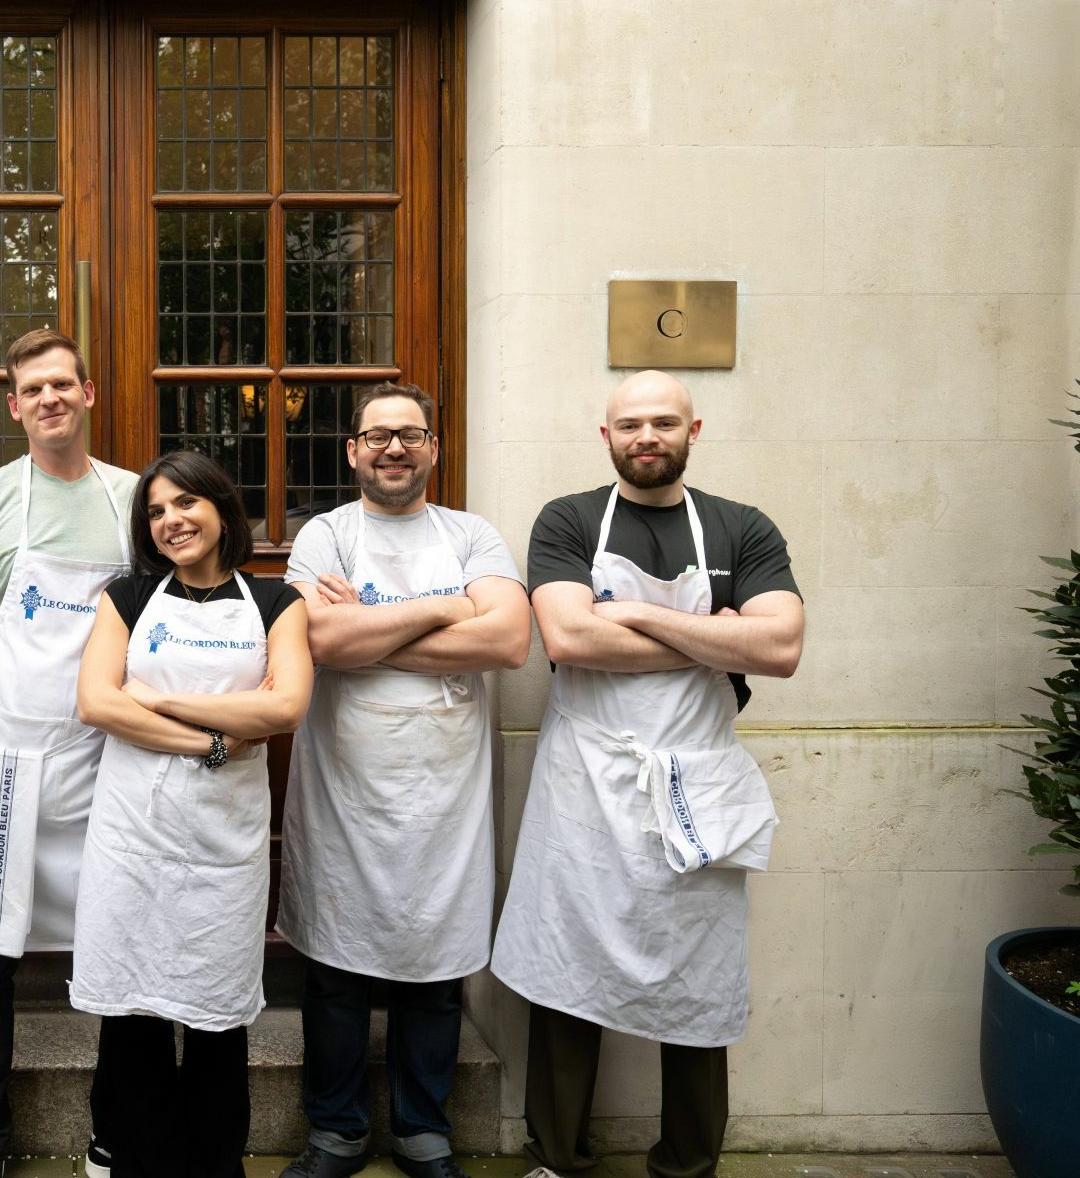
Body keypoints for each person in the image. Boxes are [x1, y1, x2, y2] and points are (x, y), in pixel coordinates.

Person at [491, 370, 805, 1178]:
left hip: (696, 784)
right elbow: (567, 638)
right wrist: (709, 633)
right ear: (606, 437)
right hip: (585, 785)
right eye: (630, 423)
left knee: (696, 983)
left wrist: (627, 612)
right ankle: (558, 1158)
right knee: (569, 970)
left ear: (693, 432)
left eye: (664, 422)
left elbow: (782, 649)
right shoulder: (568, 519)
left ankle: (689, 1164)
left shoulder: (744, 528)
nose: (647, 436)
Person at [275, 383, 531, 1178]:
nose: (393, 448)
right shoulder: (324, 534)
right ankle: (336, 1133)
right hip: (345, 787)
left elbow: (512, 639)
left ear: (433, 449)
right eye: (377, 436)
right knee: (336, 969)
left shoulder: (472, 533)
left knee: (436, 964)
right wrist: (451, 607)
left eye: (410, 435)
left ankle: (426, 1132)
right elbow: (315, 637)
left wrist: (372, 630)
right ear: (352, 450)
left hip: (445, 791)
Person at [72, 448, 315, 1178]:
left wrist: (158, 697)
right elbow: (96, 702)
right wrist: (215, 740)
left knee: (217, 1010)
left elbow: (285, 705)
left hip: (224, 842)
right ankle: (134, 1156)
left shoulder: (279, 602)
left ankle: (213, 1160)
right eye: (156, 511)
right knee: (132, 1004)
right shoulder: (127, 598)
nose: (171, 520)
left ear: (220, 507)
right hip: (133, 833)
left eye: (186, 503)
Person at [0, 329, 138, 1178]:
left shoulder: (135, 496)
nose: (50, 399)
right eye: (33, 389)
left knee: (120, 943)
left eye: (64, 384)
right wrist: (5, 718)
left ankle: (115, 1135)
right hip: (5, 754)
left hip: (108, 755)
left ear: (89, 395)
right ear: (15, 406)